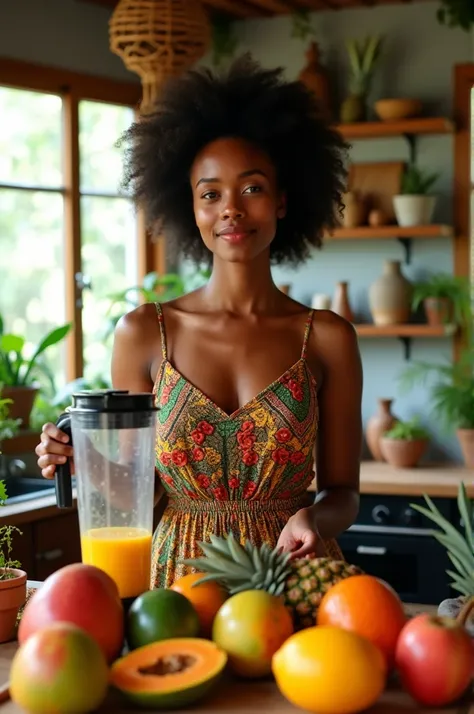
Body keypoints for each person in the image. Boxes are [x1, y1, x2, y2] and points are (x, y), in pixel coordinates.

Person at [35, 54, 363, 590]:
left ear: (283, 200)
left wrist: (314, 517)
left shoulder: (327, 338)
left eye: (252, 188)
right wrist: (79, 456)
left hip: (295, 577)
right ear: (191, 209)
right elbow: (134, 493)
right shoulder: (143, 333)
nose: (231, 209)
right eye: (211, 194)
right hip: (176, 584)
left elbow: (344, 493)